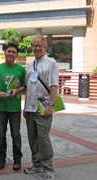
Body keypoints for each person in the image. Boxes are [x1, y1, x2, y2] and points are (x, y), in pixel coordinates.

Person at [24, 35, 59, 180]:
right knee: (32, 138)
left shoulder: (51, 63)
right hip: (30, 108)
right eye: (34, 46)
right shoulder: (30, 65)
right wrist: (25, 107)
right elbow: (28, 87)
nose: (37, 48)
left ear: (45, 48)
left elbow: (54, 86)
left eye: (40, 46)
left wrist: (51, 105)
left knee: (43, 139)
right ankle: (36, 164)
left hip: (43, 108)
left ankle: (48, 168)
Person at [0, 43, 26, 170]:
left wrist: (17, 91)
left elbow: (25, 86)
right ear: (5, 53)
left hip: (14, 107)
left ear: (16, 55)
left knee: (16, 134)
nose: (10, 54)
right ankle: (1, 158)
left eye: (13, 52)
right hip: (1, 107)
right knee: (1, 135)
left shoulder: (20, 70)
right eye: (8, 51)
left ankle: (17, 159)